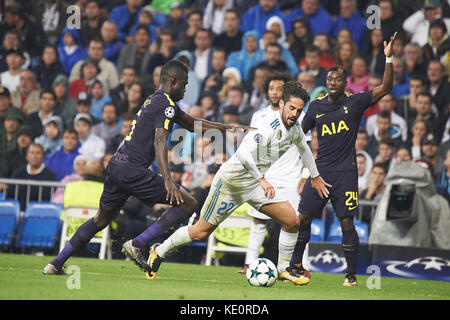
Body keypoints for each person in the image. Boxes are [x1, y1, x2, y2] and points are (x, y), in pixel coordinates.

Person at [43, 60, 252, 275]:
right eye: (184, 83)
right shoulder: (167, 105)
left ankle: (55, 263)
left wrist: (226, 127)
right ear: (173, 81)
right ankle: (137, 244)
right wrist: (168, 179)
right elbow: (160, 140)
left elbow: (192, 124)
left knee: (100, 219)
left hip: (116, 165)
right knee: (188, 203)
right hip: (133, 169)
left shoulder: (156, 100)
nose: (186, 88)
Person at [141, 81, 330, 285]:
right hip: (231, 184)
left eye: (299, 110)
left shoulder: (294, 129)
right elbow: (243, 155)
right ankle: (158, 251)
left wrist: (315, 175)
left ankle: (284, 268)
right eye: (292, 108)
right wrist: (262, 179)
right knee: (199, 231)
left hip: (255, 185)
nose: (295, 114)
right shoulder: (266, 126)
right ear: (282, 104)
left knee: (293, 222)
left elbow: (304, 149)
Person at [293, 32, 398, 287]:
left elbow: (386, 87)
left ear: (345, 82)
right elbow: (298, 133)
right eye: (329, 78)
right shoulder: (316, 107)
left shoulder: (357, 101)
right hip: (320, 173)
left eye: (337, 79)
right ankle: (295, 265)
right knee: (303, 218)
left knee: (346, 222)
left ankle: (351, 275)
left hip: (347, 173)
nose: (332, 82)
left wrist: (388, 58)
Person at [236, 71, 306, 274]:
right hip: (267, 176)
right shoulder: (259, 115)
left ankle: (298, 265)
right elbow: (250, 148)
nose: (275, 92)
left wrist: (305, 175)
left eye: (279, 88)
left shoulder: (298, 115)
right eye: (271, 88)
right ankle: (250, 264)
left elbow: (309, 148)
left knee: (295, 222)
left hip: (292, 176)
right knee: (258, 221)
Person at [7, 143, 57, 210]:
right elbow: (10, 194)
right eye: (32, 153)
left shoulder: (50, 175)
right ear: (27, 156)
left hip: (40, 212)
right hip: (18, 211)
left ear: (43, 156)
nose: (35, 156)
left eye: (38, 153)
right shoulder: (18, 173)